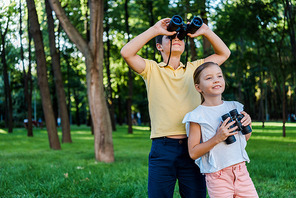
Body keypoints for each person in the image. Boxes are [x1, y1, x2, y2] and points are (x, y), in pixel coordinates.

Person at [121, 16, 230, 197]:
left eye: (180, 36)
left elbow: (224, 53)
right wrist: (156, 30)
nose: (176, 38)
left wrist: (205, 31)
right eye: (170, 37)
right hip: (162, 148)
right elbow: (126, 53)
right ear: (159, 47)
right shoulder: (151, 69)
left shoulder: (196, 69)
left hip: (194, 146)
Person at [182, 62, 258, 198]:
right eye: (209, 78)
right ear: (198, 87)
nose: (216, 80)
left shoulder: (235, 106)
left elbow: (244, 139)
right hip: (218, 176)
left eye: (219, 76)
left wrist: (248, 125)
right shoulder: (196, 116)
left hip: (241, 172)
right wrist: (218, 138)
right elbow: (193, 153)